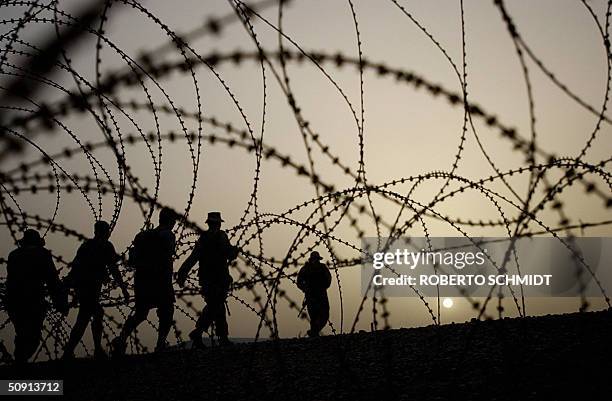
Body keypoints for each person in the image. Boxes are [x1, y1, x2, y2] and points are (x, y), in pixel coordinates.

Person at [112, 208, 177, 356]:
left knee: (141, 313)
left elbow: (132, 260)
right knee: (166, 310)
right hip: (160, 278)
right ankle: (161, 343)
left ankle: (121, 339)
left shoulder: (143, 236)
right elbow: (168, 254)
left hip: (142, 279)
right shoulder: (168, 235)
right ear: (171, 221)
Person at [62, 221, 129, 360]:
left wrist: (74, 291)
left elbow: (75, 268)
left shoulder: (86, 246)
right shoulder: (105, 246)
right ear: (105, 232)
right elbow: (113, 269)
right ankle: (90, 350)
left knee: (86, 317)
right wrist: (123, 288)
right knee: (89, 317)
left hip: (83, 287)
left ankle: (73, 351)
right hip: (90, 287)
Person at [177, 212, 238, 348]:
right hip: (219, 279)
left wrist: (182, 273)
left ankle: (219, 337)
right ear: (219, 223)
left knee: (217, 306)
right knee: (215, 306)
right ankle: (200, 332)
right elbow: (229, 254)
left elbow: (193, 258)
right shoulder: (221, 236)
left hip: (206, 280)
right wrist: (235, 251)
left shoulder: (203, 239)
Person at [6, 229, 67, 363]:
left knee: (21, 333)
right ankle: (20, 361)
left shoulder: (13, 255)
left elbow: (10, 280)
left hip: (13, 301)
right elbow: (52, 280)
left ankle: (19, 362)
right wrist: (60, 301)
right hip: (34, 301)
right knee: (33, 336)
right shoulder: (42, 254)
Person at [297, 251, 332, 337]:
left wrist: (322, 287)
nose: (316, 261)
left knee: (324, 315)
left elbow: (328, 280)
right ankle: (314, 334)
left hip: (320, 295)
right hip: (312, 296)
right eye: (315, 259)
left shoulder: (322, 268)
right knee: (314, 316)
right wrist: (306, 289)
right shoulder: (306, 269)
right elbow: (299, 282)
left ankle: (314, 332)